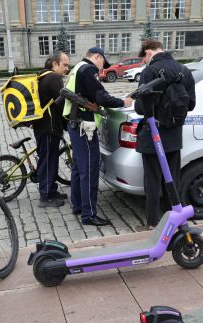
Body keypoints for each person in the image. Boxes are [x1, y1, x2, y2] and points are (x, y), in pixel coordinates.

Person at [63, 48, 132, 226]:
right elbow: (100, 96)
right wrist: (122, 102)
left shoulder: (76, 68)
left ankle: (78, 205)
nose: (102, 70)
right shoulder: (88, 69)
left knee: (79, 168)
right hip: (84, 127)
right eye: (102, 64)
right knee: (89, 170)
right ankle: (89, 214)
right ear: (97, 57)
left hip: (75, 124)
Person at [135, 39, 196, 229]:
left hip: (153, 134)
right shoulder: (184, 70)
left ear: (149, 53)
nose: (145, 62)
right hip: (174, 134)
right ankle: (174, 219)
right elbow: (191, 104)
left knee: (152, 179)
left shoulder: (150, 71)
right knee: (172, 179)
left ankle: (152, 222)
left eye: (144, 58)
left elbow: (140, 107)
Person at [33, 51, 70, 207]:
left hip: (42, 126)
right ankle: (46, 196)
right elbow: (63, 102)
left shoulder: (42, 75)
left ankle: (52, 190)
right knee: (48, 161)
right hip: (49, 126)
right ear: (54, 64)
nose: (67, 68)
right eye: (65, 64)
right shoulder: (53, 77)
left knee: (50, 159)